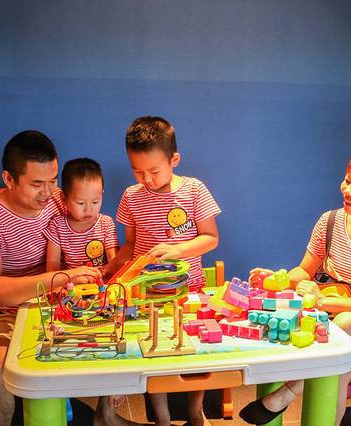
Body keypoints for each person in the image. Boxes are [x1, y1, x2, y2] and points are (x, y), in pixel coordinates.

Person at [239, 143, 351, 425]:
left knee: (346, 327)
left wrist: (322, 300)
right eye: (347, 181)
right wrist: (276, 278)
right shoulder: (330, 221)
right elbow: (304, 270)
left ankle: (288, 392)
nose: (347, 191)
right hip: (332, 323)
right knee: (317, 331)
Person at [0, 131, 108, 426]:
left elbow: (94, 228)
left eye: (53, 180)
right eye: (37, 184)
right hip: (1, 313)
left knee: (113, 337)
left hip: (60, 303)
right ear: (9, 179)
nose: (48, 192)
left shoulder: (60, 199)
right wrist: (59, 278)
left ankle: (107, 418)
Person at [106, 116, 221, 426]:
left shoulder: (194, 190)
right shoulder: (131, 196)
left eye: (154, 171)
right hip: (148, 294)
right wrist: (111, 269)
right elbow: (130, 245)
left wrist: (178, 250)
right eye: (137, 171)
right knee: (153, 353)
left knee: (195, 354)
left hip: (189, 290)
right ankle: (163, 418)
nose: (146, 179)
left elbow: (211, 238)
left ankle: (196, 412)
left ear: (174, 160)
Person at [42, 157, 129, 420]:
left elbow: (114, 264)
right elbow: (52, 269)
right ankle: (64, 393)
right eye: (80, 203)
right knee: (65, 342)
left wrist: (104, 274)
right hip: (70, 296)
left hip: (101, 295)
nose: (89, 209)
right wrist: (68, 282)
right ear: (65, 198)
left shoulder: (105, 224)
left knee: (114, 336)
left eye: (96, 201)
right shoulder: (57, 225)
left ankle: (113, 386)